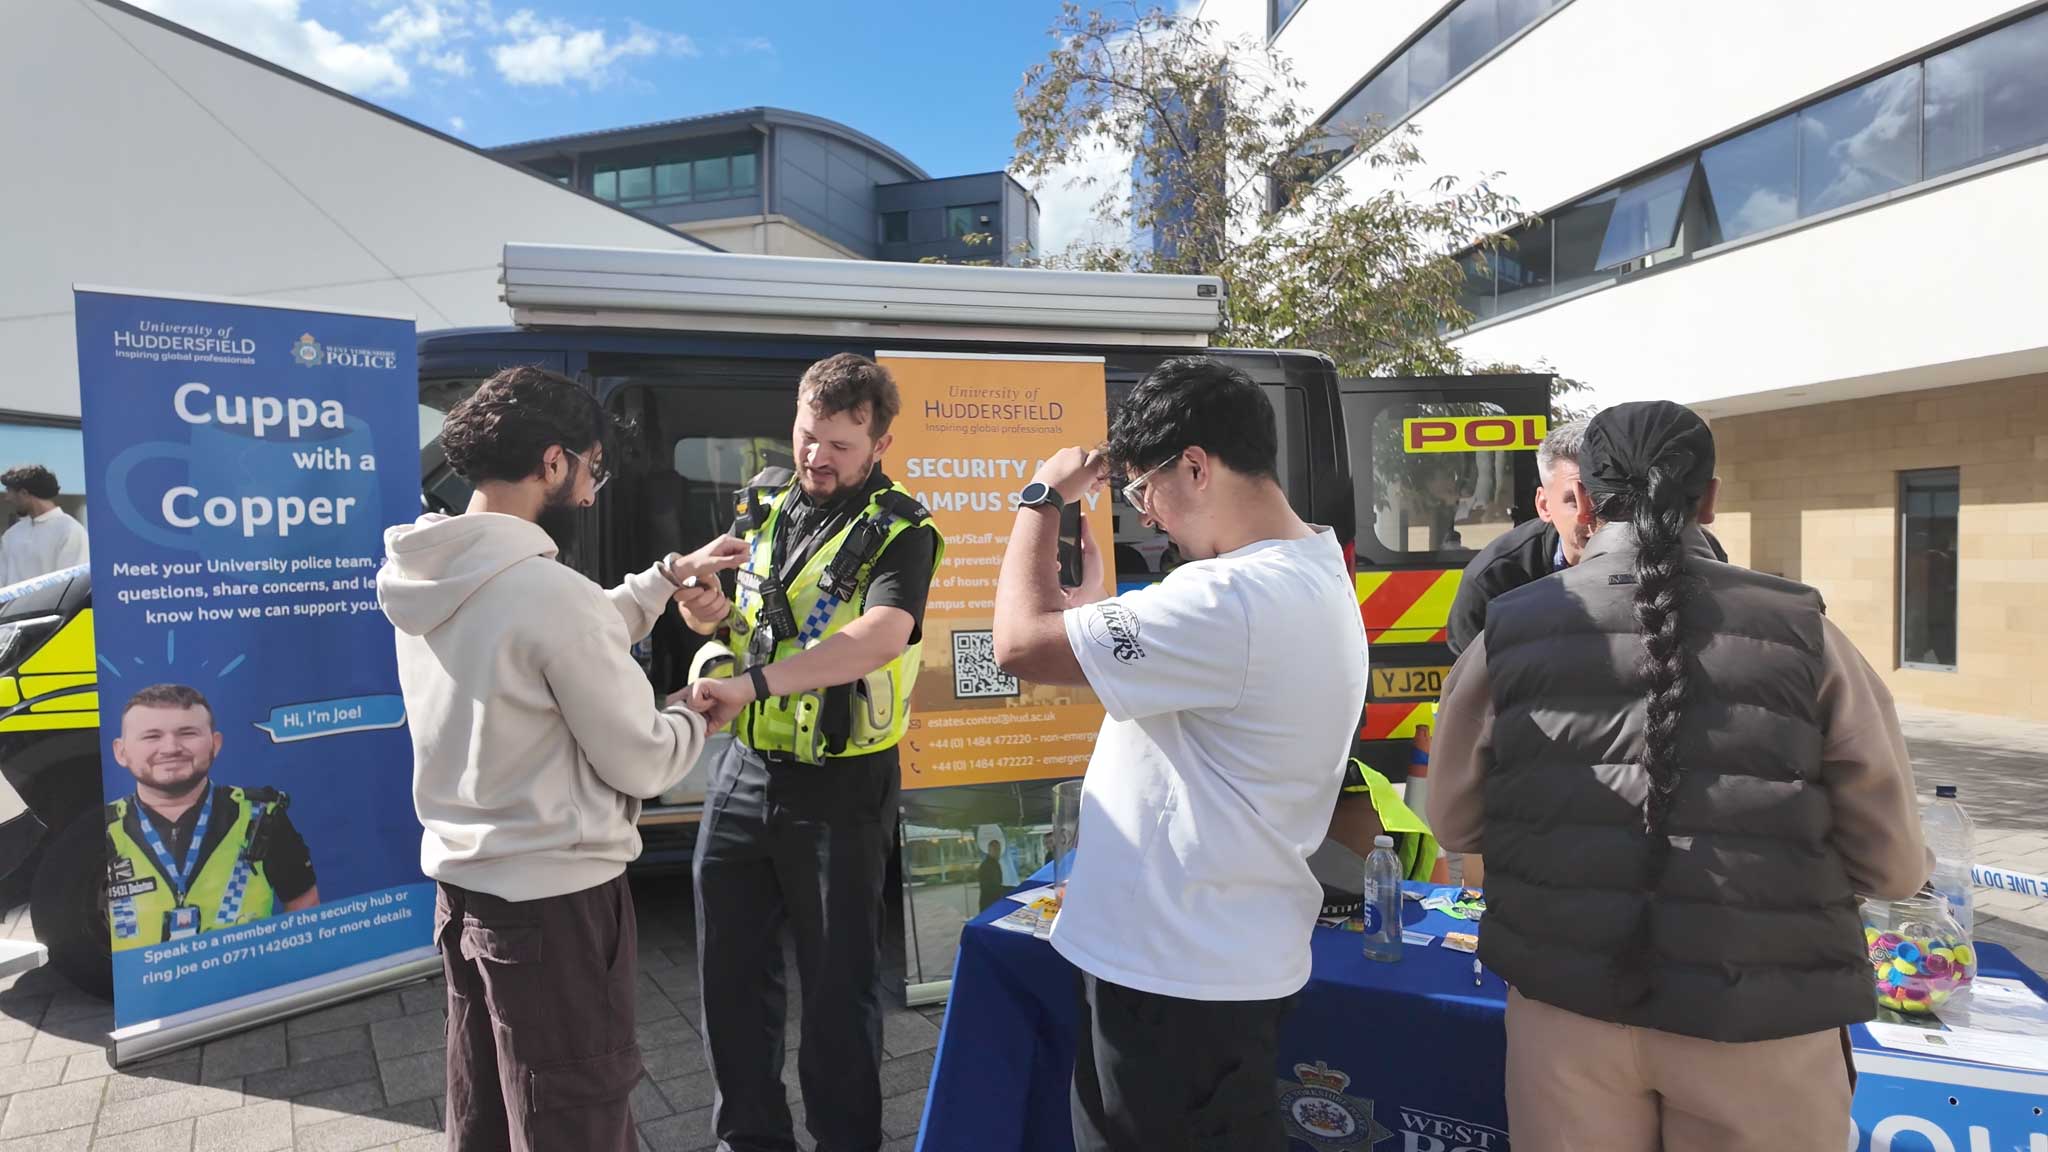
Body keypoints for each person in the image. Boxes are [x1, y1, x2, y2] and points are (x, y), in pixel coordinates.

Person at [1427, 401, 1929, 1152]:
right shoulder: (1807, 636)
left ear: (1585, 500)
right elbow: (1892, 867)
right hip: (1762, 1018)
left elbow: (1456, 824)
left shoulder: (1508, 632)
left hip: (1569, 1016)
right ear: (1711, 498)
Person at [990, 356, 1367, 1152]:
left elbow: (1018, 645)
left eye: (1142, 491)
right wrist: (1098, 624)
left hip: (1174, 976)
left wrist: (1041, 498)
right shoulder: (1309, 569)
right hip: (1217, 959)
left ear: (1195, 465)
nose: (1147, 517)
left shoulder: (1231, 596)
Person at [379, 365, 744, 1152]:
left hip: (464, 892)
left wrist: (665, 579)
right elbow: (643, 762)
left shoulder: (427, 572)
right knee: (574, 1118)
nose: (590, 492)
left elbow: (550, 633)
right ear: (553, 462)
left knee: (486, 1113)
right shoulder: (547, 596)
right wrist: (697, 706)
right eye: (590, 469)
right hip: (557, 908)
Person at [678, 352, 943, 1152]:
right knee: (728, 983)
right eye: (806, 436)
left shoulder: (905, 529)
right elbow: (745, 622)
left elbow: (878, 638)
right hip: (743, 775)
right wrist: (707, 610)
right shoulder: (764, 499)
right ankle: (750, 1140)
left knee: (837, 995)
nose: (816, 458)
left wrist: (753, 686)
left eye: (839, 446)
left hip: (841, 788)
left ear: (880, 444)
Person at [105, 684, 318, 951]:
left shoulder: (263, 817)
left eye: (187, 733)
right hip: (143, 989)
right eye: (151, 736)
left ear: (215, 744)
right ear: (120, 752)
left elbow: (304, 906)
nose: (170, 748)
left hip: (247, 983)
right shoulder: (101, 830)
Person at [1445, 419, 1588, 657]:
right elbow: (1474, 687)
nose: (1589, 514)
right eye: (1573, 500)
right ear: (1544, 505)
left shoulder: (1657, 563)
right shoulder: (1492, 579)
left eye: (1603, 498)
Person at [0, 465, 88, 587]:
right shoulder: (11, 535)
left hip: (52, 606)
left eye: (9, 492)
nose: (7, 498)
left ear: (24, 493)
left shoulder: (70, 531)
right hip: (12, 607)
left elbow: (72, 586)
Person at [977, 838, 1007, 911]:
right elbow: (989, 887)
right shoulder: (986, 866)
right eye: (995, 850)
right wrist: (1006, 890)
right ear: (989, 851)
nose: (998, 852)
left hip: (994, 902)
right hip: (989, 903)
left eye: (999, 850)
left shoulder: (995, 864)